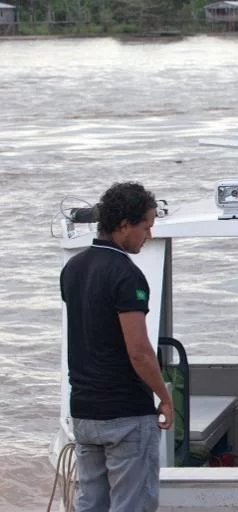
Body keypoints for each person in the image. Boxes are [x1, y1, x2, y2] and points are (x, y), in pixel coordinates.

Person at [60, 182, 172, 512]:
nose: (148, 235)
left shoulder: (72, 269)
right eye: (146, 226)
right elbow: (139, 350)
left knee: (90, 504)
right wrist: (164, 397)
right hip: (125, 412)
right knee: (132, 505)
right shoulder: (127, 275)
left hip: (84, 411)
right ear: (124, 225)